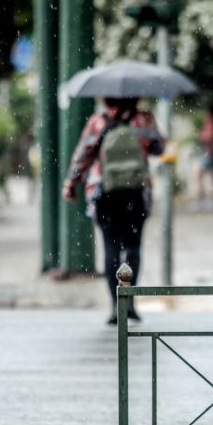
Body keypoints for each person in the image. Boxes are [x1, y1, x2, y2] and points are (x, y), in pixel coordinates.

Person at [62, 97, 165, 325]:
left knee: (111, 248)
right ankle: (131, 304)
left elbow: (83, 154)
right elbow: (160, 147)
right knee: (133, 247)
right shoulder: (144, 119)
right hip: (137, 191)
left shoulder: (98, 121)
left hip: (104, 191)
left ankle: (115, 305)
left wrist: (71, 183)